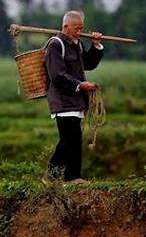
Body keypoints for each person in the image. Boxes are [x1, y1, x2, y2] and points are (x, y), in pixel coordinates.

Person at [42, 10, 104, 186]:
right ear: (66, 26)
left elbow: (89, 64)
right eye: (76, 29)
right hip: (62, 101)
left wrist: (96, 45)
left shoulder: (77, 44)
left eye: (81, 29)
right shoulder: (56, 44)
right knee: (71, 139)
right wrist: (80, 85)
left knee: (70, 139)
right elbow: (57, 75)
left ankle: (58, 177)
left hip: (76, 101)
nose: (79, 32)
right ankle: (69, 177)